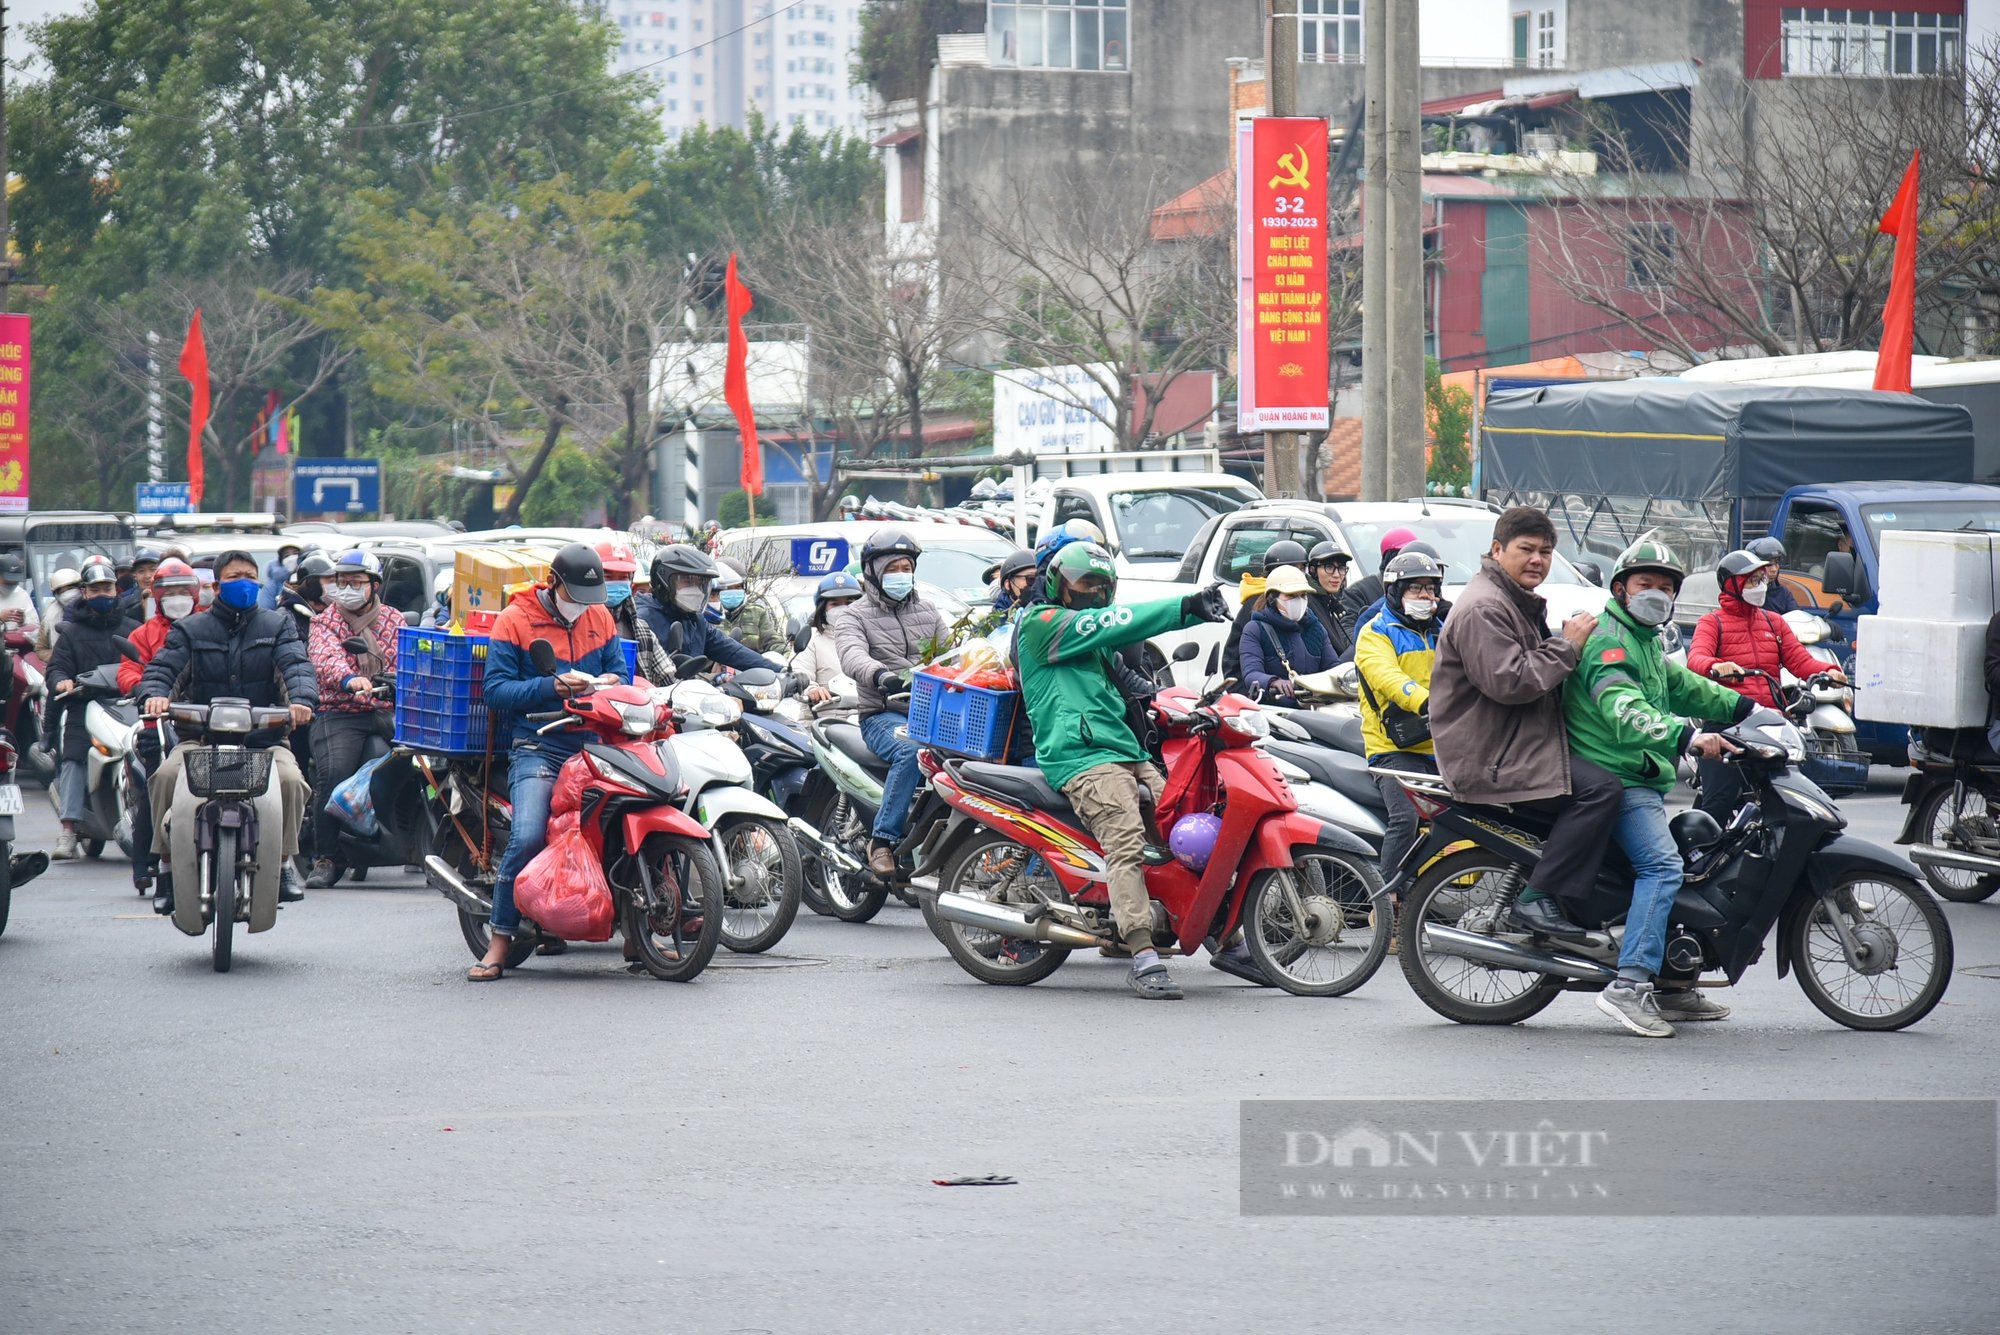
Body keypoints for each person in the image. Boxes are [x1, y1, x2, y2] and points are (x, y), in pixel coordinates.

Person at [1015, 543, 1232, 999]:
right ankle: (1140, 951)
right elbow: (1119, 620)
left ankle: (1221, 932)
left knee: (1185, 825)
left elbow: (1135, 683)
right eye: (1083, 584)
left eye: (1101, 586)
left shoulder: (1094, 644)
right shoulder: (1043, 625)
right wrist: (1187, 607)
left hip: (1124, 749)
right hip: (1080, 756)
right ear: (1059, 584)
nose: (1093, 594)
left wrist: (1179, 708)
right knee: (1127, 841)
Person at [1562, 540, 1756, 1036]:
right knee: (1664, 866)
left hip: (1640, 774)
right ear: (1621, 587)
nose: (1657, 593)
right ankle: (1629, 986)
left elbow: (1682, 684)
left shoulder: (1644, 637)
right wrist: (1687, 735)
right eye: (1646, 583)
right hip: (1619, 776)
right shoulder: (1609, 639)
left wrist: (1750, 710)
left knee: (1694, 858)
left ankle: (1672, 983)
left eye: (1666, 587)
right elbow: (1624, 708)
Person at [1429, 507, 1623, 938]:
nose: (1537, 559)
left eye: (1546, 551)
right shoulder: (1485, 607)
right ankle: (1538, 898)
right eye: (1527, 549)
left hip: (1512, 743)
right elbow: (1512, 681)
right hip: (1492, 757)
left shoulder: (1511, 599)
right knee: (1601, 791)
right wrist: (1567, 648)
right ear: (1497, 550)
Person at [467, 543, 629, 981]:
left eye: (589, 599)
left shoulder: (600, 616)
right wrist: (551, 687)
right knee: (529, 834)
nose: (582, 607)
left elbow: (623, 673)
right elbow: (495, 692)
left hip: (594, 743)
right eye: (574, 595)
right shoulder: (515, 619)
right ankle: (498, 943)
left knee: (621, 828)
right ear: (554, 583)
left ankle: (637, 935)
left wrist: (614, 679)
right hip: (538, 745)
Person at [138, 550, 316, 911]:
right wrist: (156, 696)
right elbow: (163, 670)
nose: (245, 583)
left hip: (264, 743)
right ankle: (168, 869)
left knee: (293, 783)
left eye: (251, 576)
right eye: (236, 577)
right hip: (200, 742)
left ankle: (282, 866)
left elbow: (296, 667)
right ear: (217, 586)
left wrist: (300, 700)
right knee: (164, 777)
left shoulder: (277, 625)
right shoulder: (190, 629)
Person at [1687, 548, 1845, 818]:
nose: (1760, 586)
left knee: (1788, 793)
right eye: (1751, 580)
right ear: (1732, 585)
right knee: (1719, 802)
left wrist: (1828, 671)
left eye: (1762, 579)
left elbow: (1800, 661)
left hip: (1770, 720)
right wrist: (1716, 666)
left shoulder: (1774, 623)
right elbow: (1696, 658)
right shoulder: (1712, 622)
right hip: (1728, 721)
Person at [835, 529, 946, 876]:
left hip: (932, 711)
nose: (901, 574)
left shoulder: (928, 610)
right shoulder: (853, 615)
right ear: (873, 572)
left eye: (906, 567)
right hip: (883, 714)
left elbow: (953, 652)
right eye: (892, 567)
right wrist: (880, 675)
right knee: (913, 750)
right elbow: (852, 655)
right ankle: (881, 839)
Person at [303, 551, 408, 888]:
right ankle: (326, 857)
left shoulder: (394, 620)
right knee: (334, 773)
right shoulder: (325, 621)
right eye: (342, 581)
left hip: (385, 708)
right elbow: (325, 658)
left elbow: (408, 658)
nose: (347, 588)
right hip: (340, 712)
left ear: (374, 586)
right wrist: (351, 680)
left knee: (421, 764)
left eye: (356, 582)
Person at [1355, 550, 1446, 879]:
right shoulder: (1375, 632)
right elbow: (1388, 678)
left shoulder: (1441, 631)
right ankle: (1387, 897)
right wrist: (1425, 700)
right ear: (1394, 591)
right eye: (1415, 588)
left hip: (1441, 742)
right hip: (1393, 748)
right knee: (1406, 818)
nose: (1425, 596)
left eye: (1430, 588)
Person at [46, 558, 139, 859]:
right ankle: (69, 830)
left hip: (127, 706)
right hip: (84, 708)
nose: (102, 594)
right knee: (74, 758)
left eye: (107, 588)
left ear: (117, 590)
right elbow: (57, 668)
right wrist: (62, 681)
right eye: (95, 589)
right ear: (84, 593)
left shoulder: (133, 628)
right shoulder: (71, 633)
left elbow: (148, 662)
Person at [117, 559, 201, 890]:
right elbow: (127, 671)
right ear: (157, 596)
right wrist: (144, 691)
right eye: (171, 592)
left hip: (205, 723)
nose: (178, 597)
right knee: (156, 787)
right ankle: (146, 863)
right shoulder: (143, 633)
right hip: (159, 725)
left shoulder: (209, 627)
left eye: (184, 591)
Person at [633, 545, 773, 677]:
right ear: (664, 581)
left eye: (701, 584)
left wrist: (779, 671)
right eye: (688, 582)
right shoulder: (643, 619)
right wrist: (712, 678)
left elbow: (732, 651)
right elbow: (662, 676)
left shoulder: (694, 619)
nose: (696, 590)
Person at [1238, 565, 1344, 701]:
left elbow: (1333, 668)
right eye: (1291, 595)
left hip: (1315, 711)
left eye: (1303, 595)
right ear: (1272, 597)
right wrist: (1273, 682)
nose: (1298, 600)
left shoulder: (1316, 629)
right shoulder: (1255, 629)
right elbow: (1251, 674)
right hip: (1274, 712)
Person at [1222, 540, 1308, 684]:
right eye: (1295, 569)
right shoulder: (1256, 606)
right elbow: (1236, 662)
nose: (1299, 575)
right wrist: (1269, 684)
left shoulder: (1306, 609)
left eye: (1302, 569)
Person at [790, 571, 863, 711]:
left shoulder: (870, 637)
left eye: (848, 603)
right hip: (823, 720)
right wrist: (812, 690)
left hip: (865, 719)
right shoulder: (810, 639)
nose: (843, 609)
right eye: (835, 604)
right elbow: (799, 675)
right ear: (822, 609)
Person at [1341, 527, 1417, 618]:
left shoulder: (1427, 592)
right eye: (1404, 557)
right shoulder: (1358, 592)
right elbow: (1348, 628)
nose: (1411, 563)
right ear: (1389, 559)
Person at [716, 556, 784, 653]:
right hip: (718, 666)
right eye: (727, 588)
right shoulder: (708, 616)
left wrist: (786, 657)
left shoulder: (757, 613)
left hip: (754, 666)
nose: (733, 591)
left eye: (737, 587)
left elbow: (773, 642)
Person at [1303, 538, 1357, 662]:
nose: (1337, 575)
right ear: (1312, 570)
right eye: (1329, 567)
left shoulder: (1328, 602)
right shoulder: (1307, 602)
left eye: (1341, 568)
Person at [34, 568, 82, 658]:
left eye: (71, 589)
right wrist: (58, 657)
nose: (69, 594)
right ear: (56, 595)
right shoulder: (49, 617)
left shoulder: (91, 609)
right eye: (63, 591)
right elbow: (40, 649)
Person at [1744, 536, 1799, 614]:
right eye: (1768, 564)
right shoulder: (1746, 592)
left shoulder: (1782, 591)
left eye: (1776, 562)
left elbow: (1796, 616)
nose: (1774, 569)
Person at [0, 552, 40, 634]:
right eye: (8, 581)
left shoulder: (22, 594)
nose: (12, 584)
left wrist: (24, 620)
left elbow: (36, 626)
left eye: (15, 581)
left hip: (16, 643)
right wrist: (1, 618)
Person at [119, 548, 161, 622]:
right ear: (135, 574)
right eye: (141, 571)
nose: (147, 575)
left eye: (153, 570)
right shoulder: (124, 604)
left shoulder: (170, 601)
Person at [260, 542, 304, 610]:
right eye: (286, 556)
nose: (291, 558)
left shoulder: (310, 579)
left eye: (295, 553)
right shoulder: (273, 584)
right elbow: (265, 611)